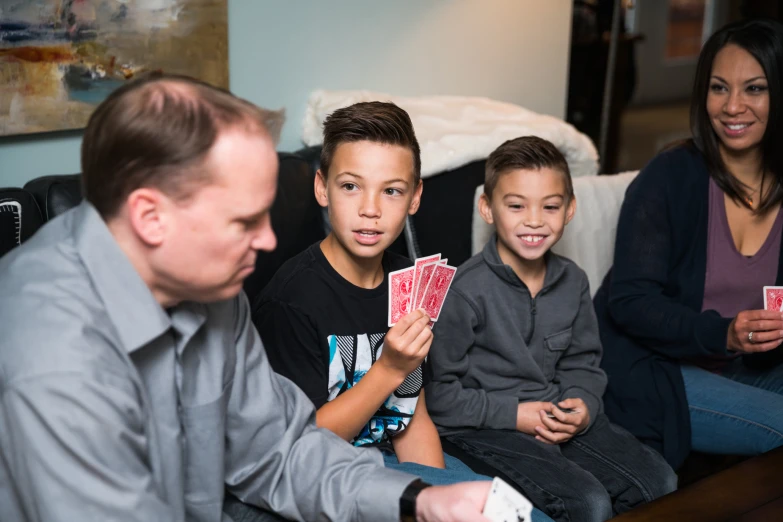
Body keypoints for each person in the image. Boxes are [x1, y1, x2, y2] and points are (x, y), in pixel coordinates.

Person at [0, 74, 494, 522]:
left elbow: (280, 451)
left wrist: (417, 501)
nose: (267, 241)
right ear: (151, 218)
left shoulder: (214, 287)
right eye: (243, 221)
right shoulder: (53, 357)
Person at [251, 102, 509, 493]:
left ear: (415, 197)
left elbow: (411, 418)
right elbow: (302, 446)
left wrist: (437, 493)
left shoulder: (410, 281)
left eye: (391, 191)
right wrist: (390, 368)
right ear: (322, 188)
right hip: (329, 477)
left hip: (397, 460)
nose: (370, 210)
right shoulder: (291, 301)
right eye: (351, 186)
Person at [425, 136, 677, 522]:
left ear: (570, 209)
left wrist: (583, 405)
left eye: (550, 206)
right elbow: (440, 397)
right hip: (486, 427)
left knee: (660, 481)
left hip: (556, 414)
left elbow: (583, 363)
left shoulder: (572, 281)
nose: (534, 220)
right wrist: (516, 415)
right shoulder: (463, 290)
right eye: (516, 205)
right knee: (589, 503)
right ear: (488, 208)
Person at [593, 18, 783, 472]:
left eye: (754, 89)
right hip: (657, 371)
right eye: (719, 88)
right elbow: (630, 302)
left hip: (747, 369)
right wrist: (724, 332)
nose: (733, 106)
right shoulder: (671, 176)